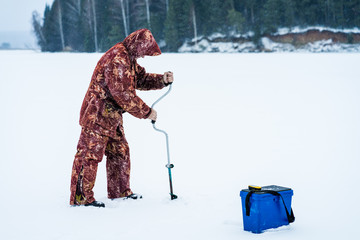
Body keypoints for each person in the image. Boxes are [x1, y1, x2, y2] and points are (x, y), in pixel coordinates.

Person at [70, 29, 174, 207]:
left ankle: (119, 192)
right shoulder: (118, 58)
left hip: (112, 117)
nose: (142, 57)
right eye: (143, 52)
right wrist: (147, 112)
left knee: (120, 152)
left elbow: (139, 79)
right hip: (96, 115)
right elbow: (123, 94)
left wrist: (161, 80)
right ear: (136, 45)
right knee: (89, 155)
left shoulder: (129, 58)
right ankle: (81, 198)